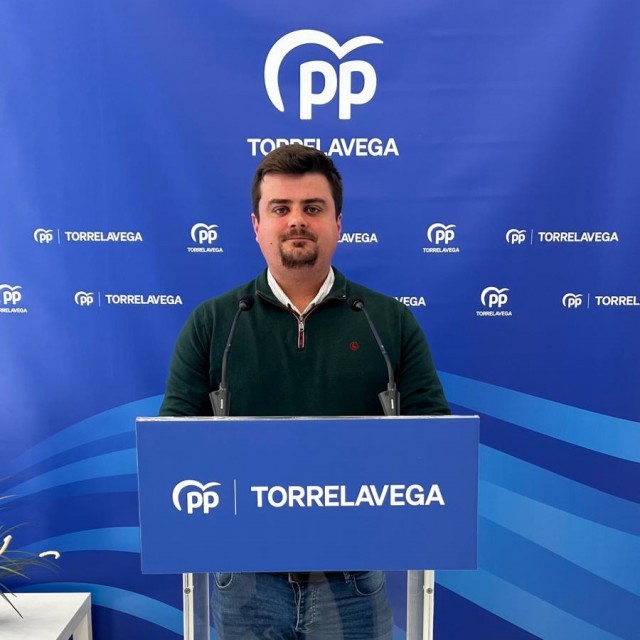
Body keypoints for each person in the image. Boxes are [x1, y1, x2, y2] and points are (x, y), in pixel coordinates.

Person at [159, 143, 450, 639]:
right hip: (244, 582)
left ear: (338, 224)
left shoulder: (387, 322)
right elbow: (173, 446)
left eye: (313, 208)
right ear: (257, 226)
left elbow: (436, 442)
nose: (297, 220)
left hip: (355, 581)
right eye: (281, 209)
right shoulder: (214, 323)